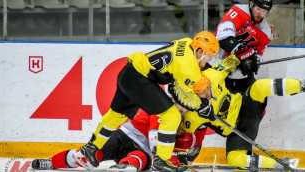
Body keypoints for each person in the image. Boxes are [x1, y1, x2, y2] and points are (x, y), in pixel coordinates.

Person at [74, 31, 220, 172]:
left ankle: (90, 149)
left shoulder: (187, 42)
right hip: (139, 80)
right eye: (209, 56)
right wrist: (202, 106)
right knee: (172, 116)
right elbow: (178, 93)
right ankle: (161, 160)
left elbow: (178, 80)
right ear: (199, 52)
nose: (210, 60)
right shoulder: (189, 68)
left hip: (127, 73)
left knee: (116, 115)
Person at [175, 54, 304, 169]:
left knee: (258, 87)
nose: (207, 93)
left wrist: (247, 59)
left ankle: (301, 85)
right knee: (234, 159)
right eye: (202, 93)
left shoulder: (212, 75)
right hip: (237, 131)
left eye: (207, 88)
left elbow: (232, 60)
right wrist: (183, 150)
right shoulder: (191, 115)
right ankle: (278, 165)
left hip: (246, 107)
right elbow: (183, 139)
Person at [30, 104, 205, 171]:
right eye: (181, 105)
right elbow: (155, 138)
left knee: (135, 162)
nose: (183, 109)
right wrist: (167, 161)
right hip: (125, 136)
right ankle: (52, 162)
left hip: (142, 150)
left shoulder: (184, 115)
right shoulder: (163, 106)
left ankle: (122, 167)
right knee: (87, 156)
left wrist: (181, 153)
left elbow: (171, 142)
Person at [209, 0, 273, 93]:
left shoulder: (266, 31)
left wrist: (254, 62)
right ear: (251, 4)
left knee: (254, 100)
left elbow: (259, 54)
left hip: (241, 74)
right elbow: (223, 36)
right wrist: (241, 52)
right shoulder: (238, 11)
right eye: (258, 9)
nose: (260, 14)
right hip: (218, 64)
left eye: (264, 11)